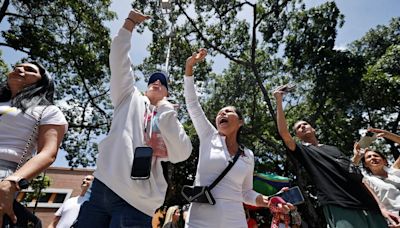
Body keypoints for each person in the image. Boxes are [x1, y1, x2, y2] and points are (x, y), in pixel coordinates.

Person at [74, 9, 192, 228]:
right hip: (101, 187)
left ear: (167, 93)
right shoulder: (128, 97)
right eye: (153, 81)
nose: (157, 83)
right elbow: (119, 61)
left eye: (162, 83)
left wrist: (164, 109)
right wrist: (129, 24)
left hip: (138, 203)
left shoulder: (169, 116)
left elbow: (182, 153)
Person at [183, 49, 288, 227]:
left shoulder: (248, 155)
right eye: (219, 112)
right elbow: (192, 104)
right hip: (198, 222)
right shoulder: (209, 136)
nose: (222, 113)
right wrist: (189, 67)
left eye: (228, 111)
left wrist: (267, 200)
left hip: (236, 222)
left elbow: (246, 193)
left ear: (240, 122)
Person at [273, 85, 399, 228]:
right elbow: (284, 134)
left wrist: (381, 207)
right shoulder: (304, 151)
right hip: (340, 205)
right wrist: (279, 100)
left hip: (369, 206)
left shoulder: (334, 149)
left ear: (313, 129)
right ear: (297, 136)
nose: (302, 127)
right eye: (298, 128)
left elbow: (358, 177)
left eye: (305, 124)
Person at [0, 62, 68, 226]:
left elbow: (48, 153)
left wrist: (11, 182)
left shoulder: (47, 111)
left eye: (29, 70)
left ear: (42, 82)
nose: (19, 69)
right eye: (17, 66)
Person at [352, 128, 400, 216]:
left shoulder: (395, 171)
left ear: (385, 161)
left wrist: (387, 134)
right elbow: (348, 172)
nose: (373, 158)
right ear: (366, 164)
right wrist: (356, 157)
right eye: (369, 157)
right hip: (395, 218)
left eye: (376, 156)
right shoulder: (367, 180)